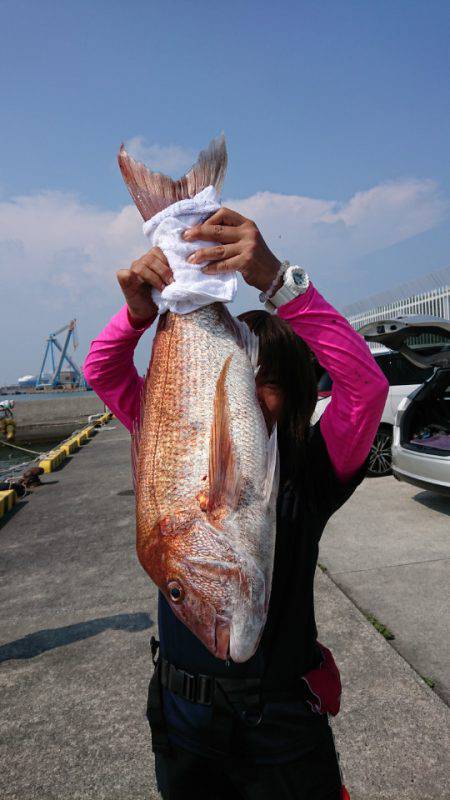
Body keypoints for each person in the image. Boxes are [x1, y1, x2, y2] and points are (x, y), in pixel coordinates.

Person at [83, 207, 388, 800]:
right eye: (237, 373)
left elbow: (366, 385)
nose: (246, 393)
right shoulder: (176, 437)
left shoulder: (314, 465)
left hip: (280, 725)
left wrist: (278, 281)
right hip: (183, 717)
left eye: (266, 378)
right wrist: (137, 315)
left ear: (295, 391)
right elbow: (103, 368)